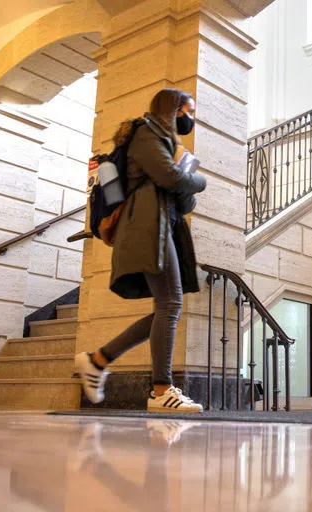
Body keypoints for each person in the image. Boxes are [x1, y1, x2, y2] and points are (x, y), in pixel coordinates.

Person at [75, 88, 207, 413]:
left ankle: (97, 360)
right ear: (172, 108)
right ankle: (161, 391)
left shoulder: (168, 144)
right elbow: (167, 176)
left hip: (160, 226)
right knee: (170, 303)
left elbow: (181, 196)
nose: (190, 117)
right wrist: (198, 179)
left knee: (167, 306)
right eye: (187, 110)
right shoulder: (146, 133)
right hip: (146, 227)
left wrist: (186, 181)